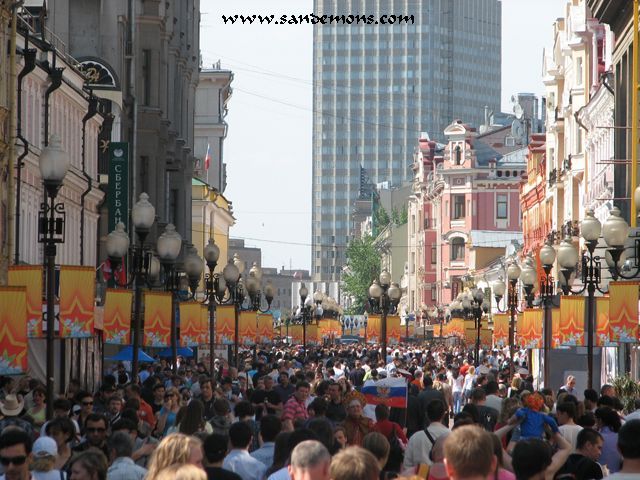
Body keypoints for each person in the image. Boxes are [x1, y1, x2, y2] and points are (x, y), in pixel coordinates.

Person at [403, 399, 449, 470]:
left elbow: (407, 465)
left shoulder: (415, 438)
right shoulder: (452, 437)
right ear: (443, 415)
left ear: (427, 415)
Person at [594, 407, 622, 474]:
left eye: (595, 419)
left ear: (600, 420)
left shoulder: (596, 437)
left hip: (601, 475)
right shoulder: (621, 436)